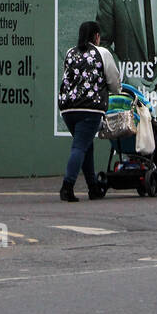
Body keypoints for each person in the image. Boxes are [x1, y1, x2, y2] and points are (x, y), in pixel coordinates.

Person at [57, 19, 120, 201]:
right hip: (90, 109)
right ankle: (67, 187)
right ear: (97, 36)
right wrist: (115, 90)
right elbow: (114, 81)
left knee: (85, 145)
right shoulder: (102, 52)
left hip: (68, 109)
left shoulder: (70, 53)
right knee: (79, 147)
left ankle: (93, 187)